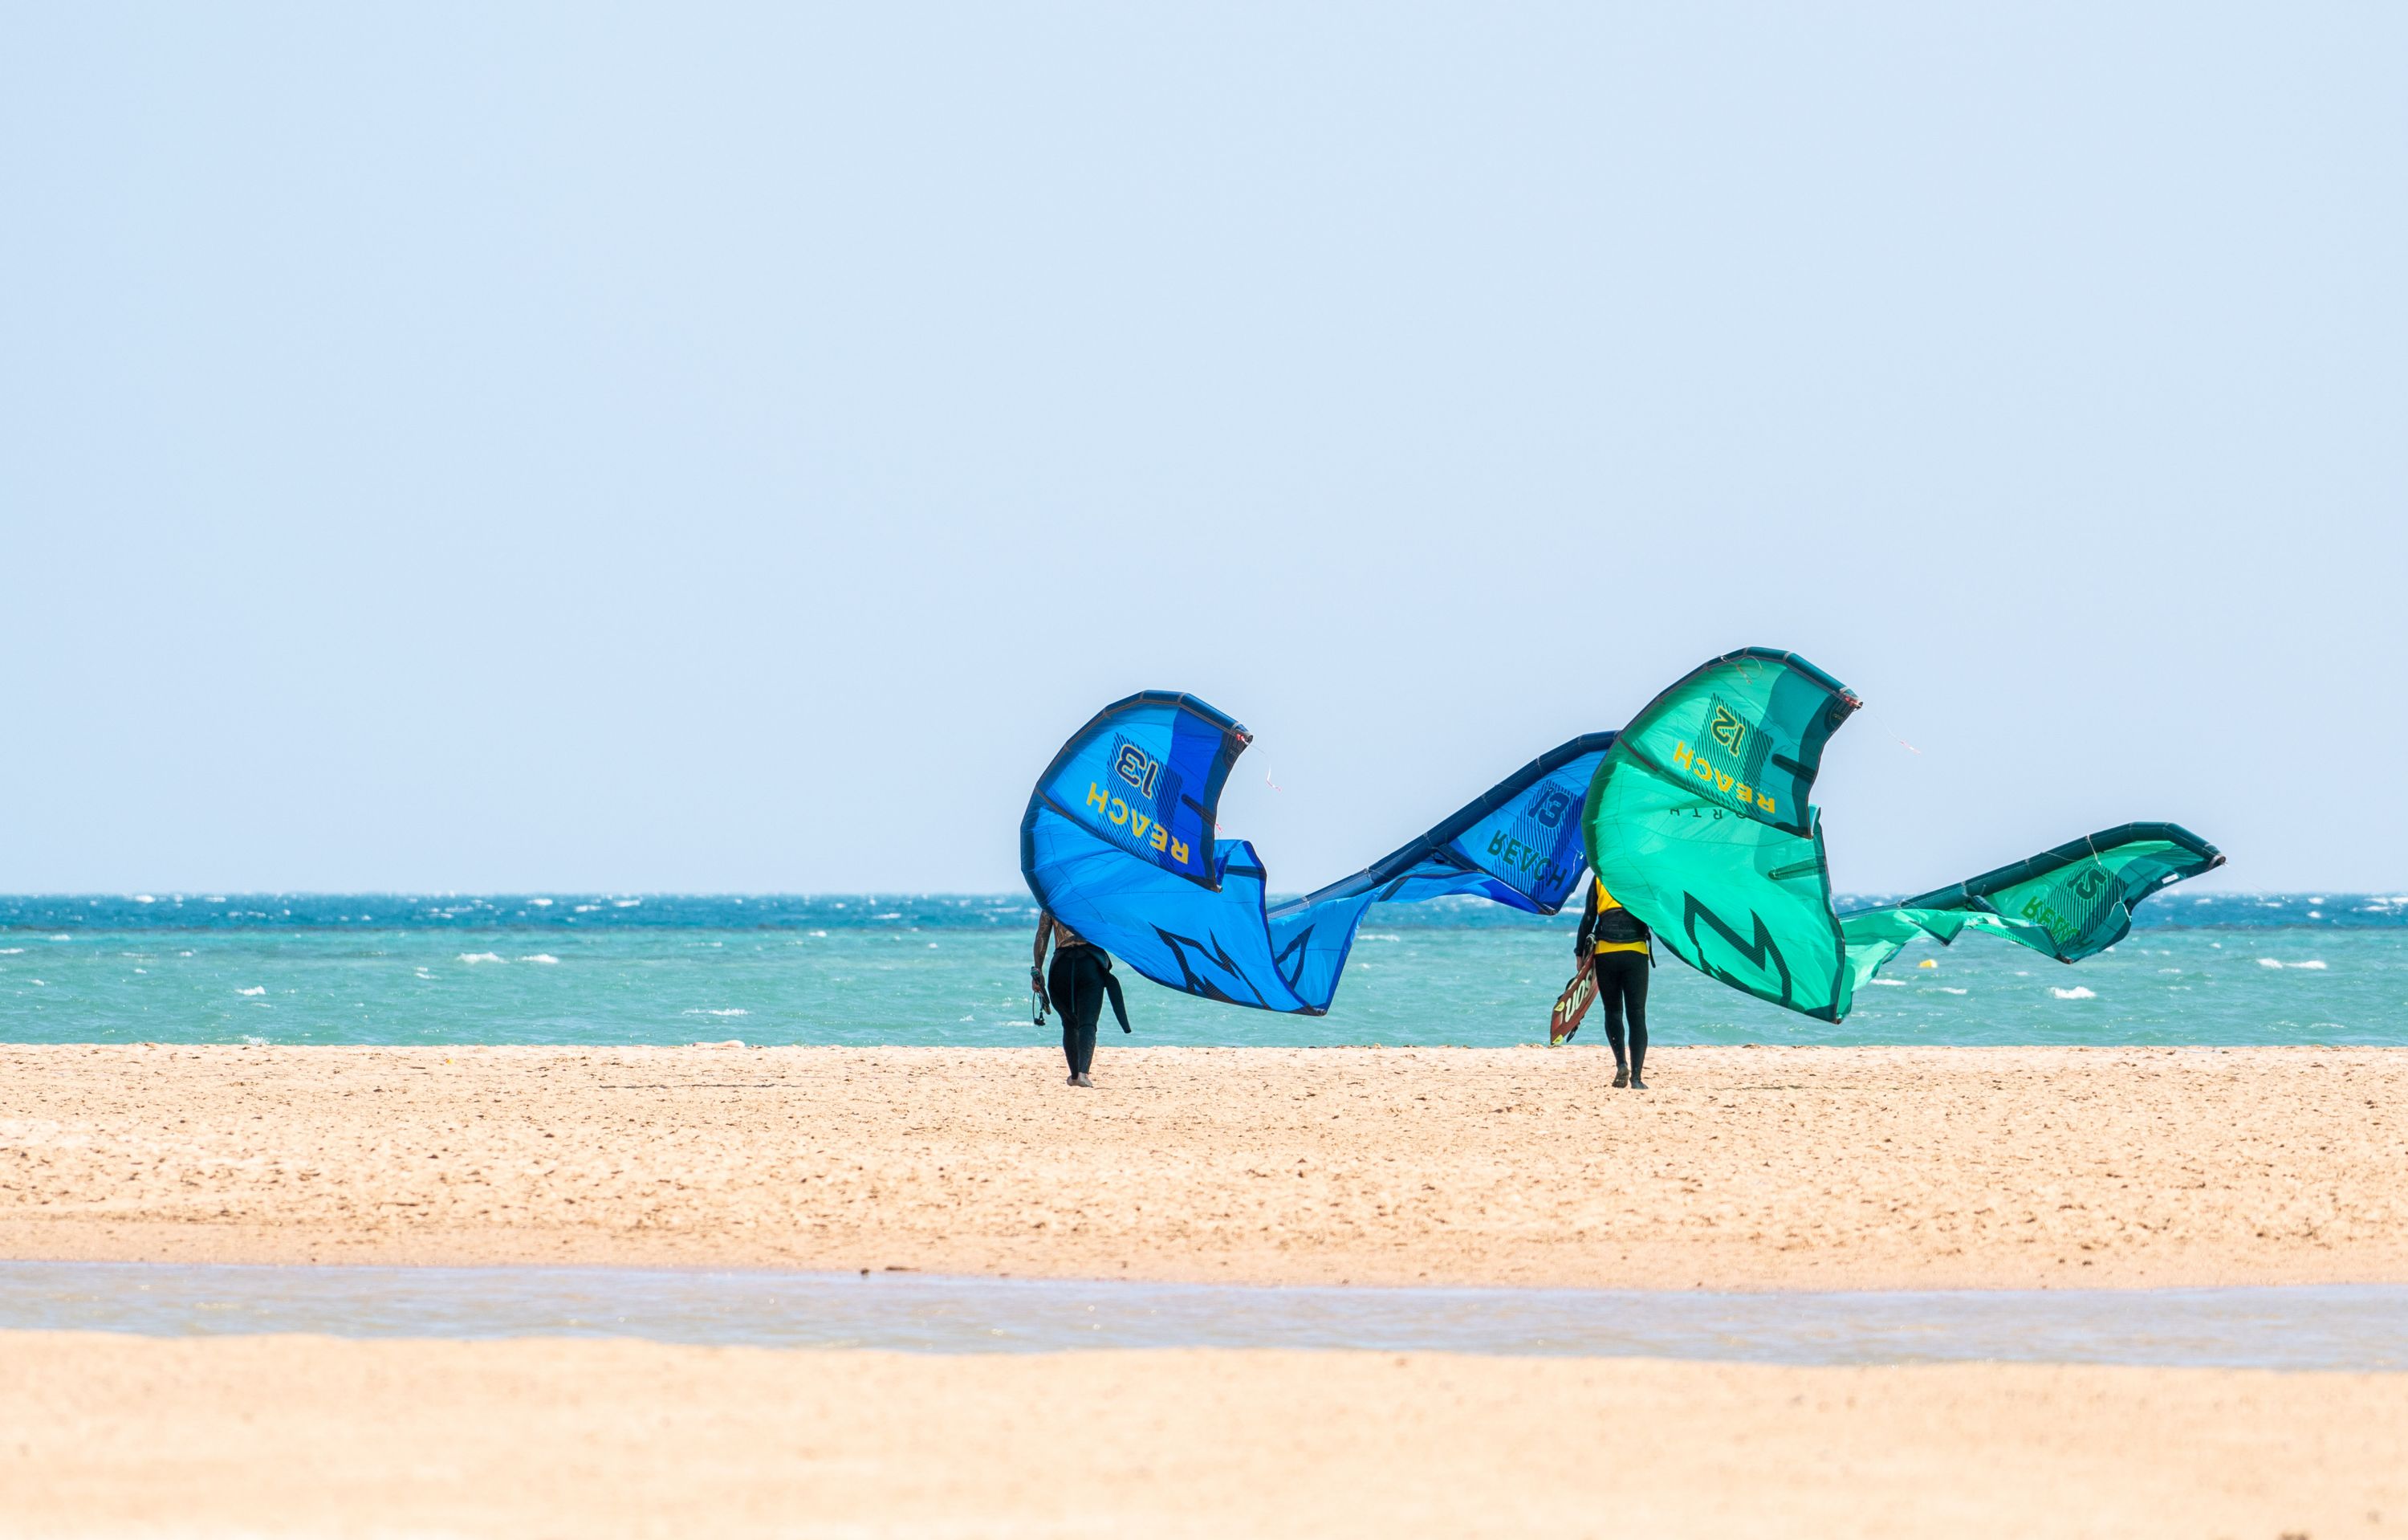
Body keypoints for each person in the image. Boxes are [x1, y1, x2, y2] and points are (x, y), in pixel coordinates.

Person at [1033, 909, 1127, 1087]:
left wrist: (1037, 970)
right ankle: (1083, 1074)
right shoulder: (1092, 900)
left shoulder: (1052, 902)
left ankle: (1074, 1075)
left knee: (1069, 1023)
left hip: (1061, 965)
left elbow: (1042, 936)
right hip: (1090, 963)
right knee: (1088, 1023)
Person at [1575, 878, 1652, 1089]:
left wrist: (1579, 952)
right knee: (1637, 1014)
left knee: (1613, 1011)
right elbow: (1658, 913)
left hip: (1606, 954)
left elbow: (1589, 917)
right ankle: (1636, 1078)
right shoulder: (1639, 876)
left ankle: (1621, 1063)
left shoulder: (1600, 877)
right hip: (1635, 952)